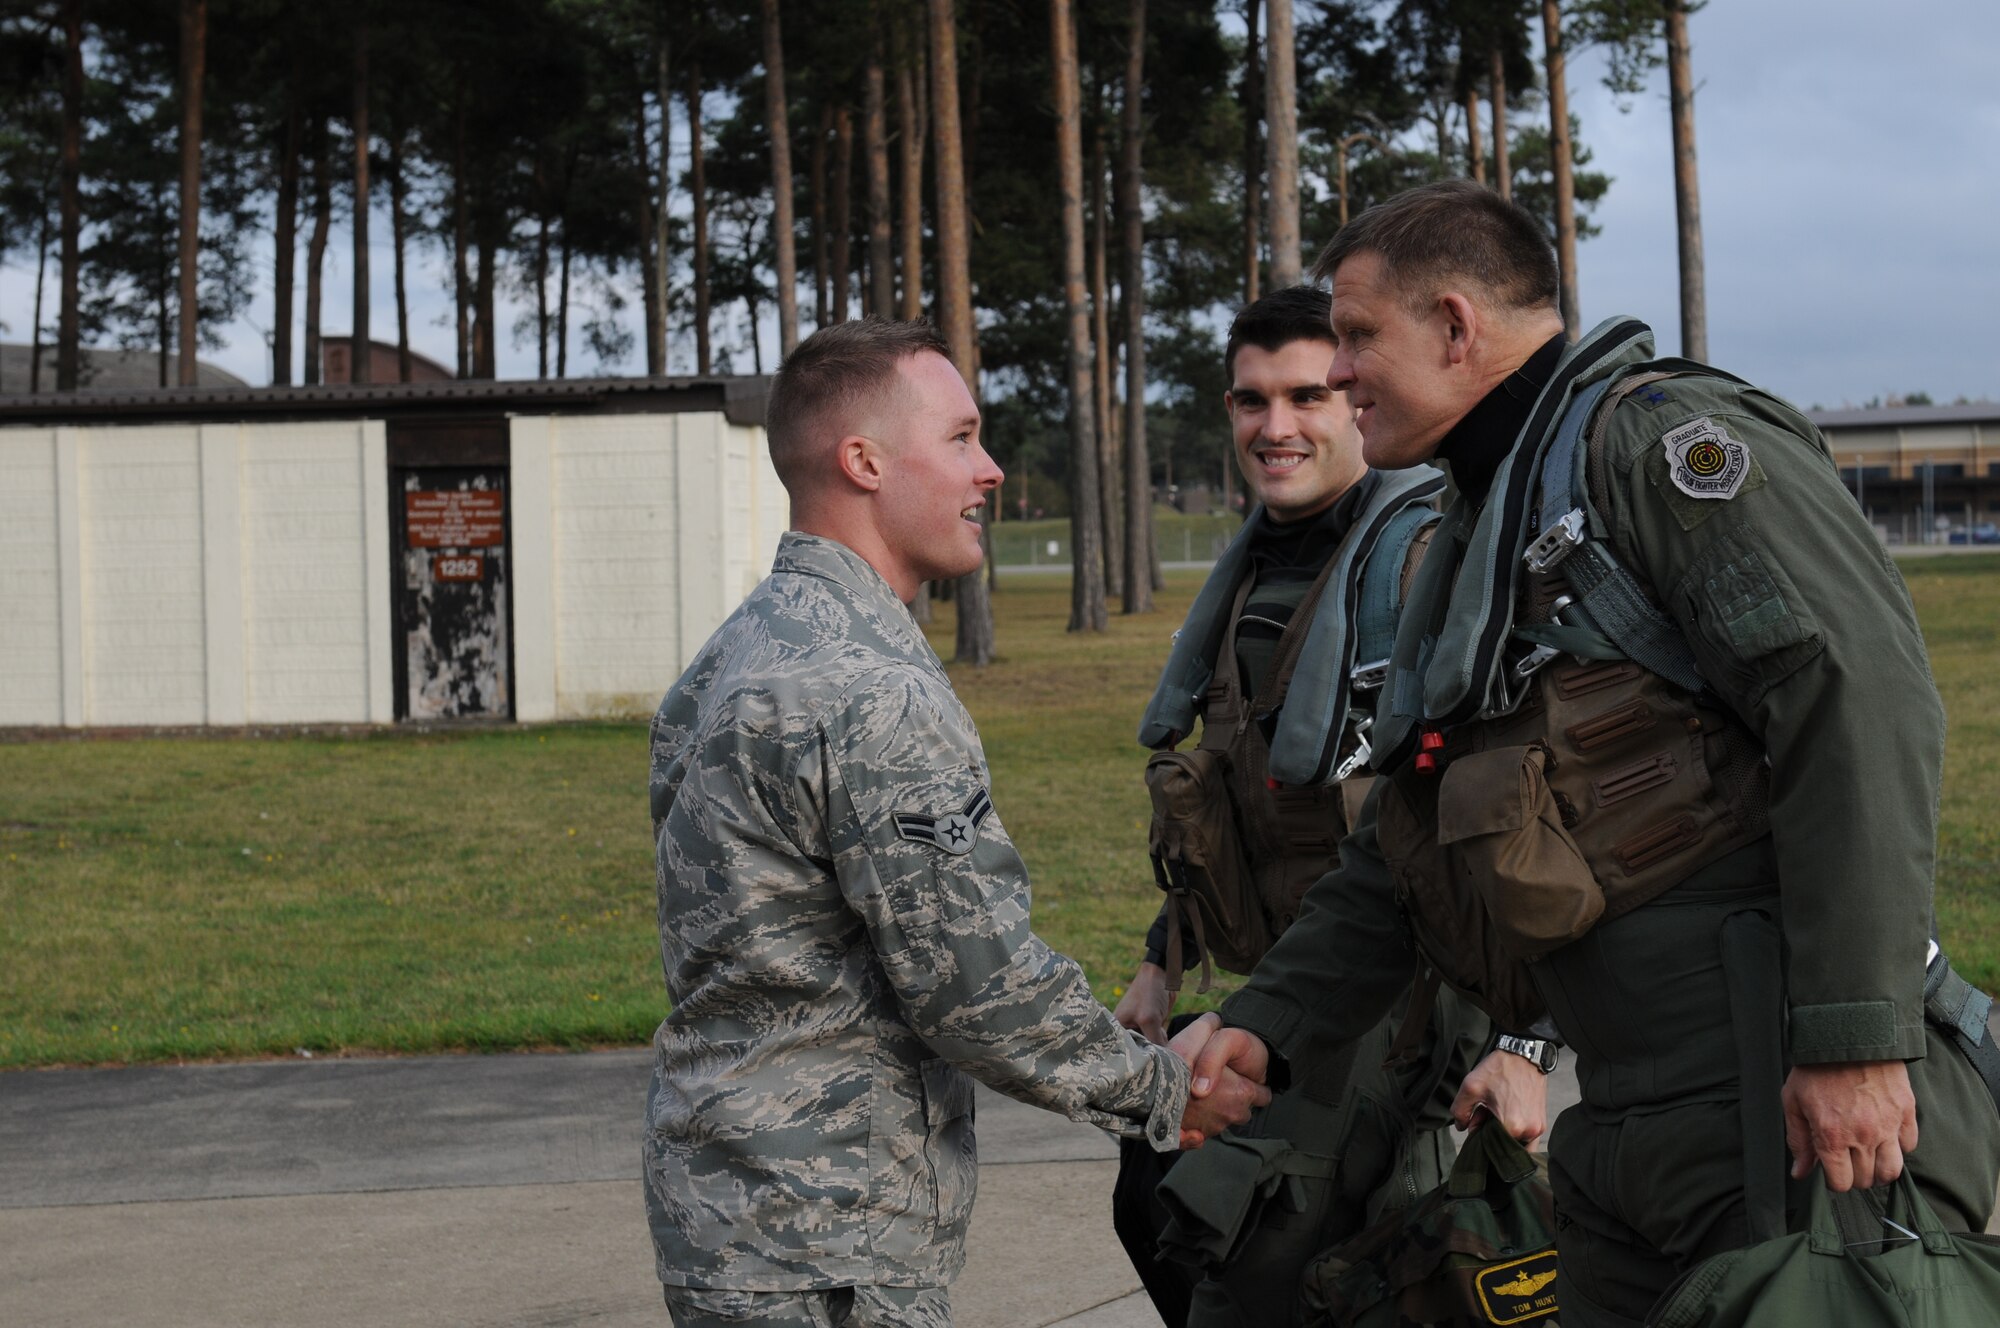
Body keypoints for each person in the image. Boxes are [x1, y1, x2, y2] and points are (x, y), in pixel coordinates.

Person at [1181, 180, 2000, 1327]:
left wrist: (1855, 1040)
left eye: (1358, 335)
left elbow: (1856, 702)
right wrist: (1267, 1015)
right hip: (1621, 1114)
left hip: (1783, 1100)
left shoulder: (1659, 448)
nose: (1342, 369)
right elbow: (1406, 841)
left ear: (1456, 327)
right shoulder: (1480, 528)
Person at [641, 318, 1267, 1328]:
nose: (989, 468)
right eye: (962, 436)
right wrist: (1161, 1086)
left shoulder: (730, 654)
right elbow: (972, 983)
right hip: (829, 1238)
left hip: (729, 1212)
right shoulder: (867, 687)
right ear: (864, 460)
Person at [1109, 286, 1551, 1327]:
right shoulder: (1254, 569)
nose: (1276, 428)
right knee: (1164, 1200)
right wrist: (1162, 951)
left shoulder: (1421, 562)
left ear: (1352, 392)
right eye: (1251, 399)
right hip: (1288, 993)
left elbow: (1514, 811)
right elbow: (1217, 783)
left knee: (1264, 1257)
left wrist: (1520, 1043)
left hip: (1400, 1002)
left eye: (1307, 394)